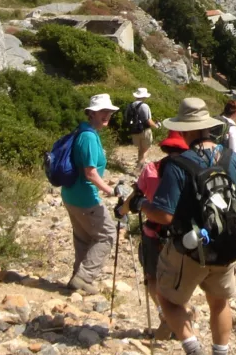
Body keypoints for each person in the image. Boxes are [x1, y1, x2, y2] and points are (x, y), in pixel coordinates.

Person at [130, 97, 236, 355]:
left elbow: (164, 214)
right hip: (227, 247)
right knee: (220, 303)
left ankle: (194, 354)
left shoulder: (178, 165)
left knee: (168, 298)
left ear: (186, 131)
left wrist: (141, 204)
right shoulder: (233, 159)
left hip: (190, 250)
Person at [117, 130, 189, 340]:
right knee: (179, 280)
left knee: (152, 277)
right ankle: (181, 317)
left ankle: (165, 315)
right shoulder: (191, 171)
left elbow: (135, 198)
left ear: (166, 147)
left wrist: (121, 211)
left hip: (154, 233)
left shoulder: (152, 169)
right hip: (182, 235)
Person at [63, 93, 120, 295]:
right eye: (102, 112)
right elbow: (90, 172)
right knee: (107, 234)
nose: (107, 115)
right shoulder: (88, 137)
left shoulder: (84, 131)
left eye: (109, 112)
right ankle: (84, 277)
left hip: (72, 195)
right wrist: (110, 190)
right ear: (91, 113)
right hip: (84, 197)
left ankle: (77, 278)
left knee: (83, 237)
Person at [126, 87, 158, 166]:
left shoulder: (130, 105)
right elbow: (148, 121)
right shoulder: (145, 106)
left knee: (140, 149)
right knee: (146, 149)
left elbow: (126, 117)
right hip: (144, 130)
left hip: (134, 130)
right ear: (144, 96)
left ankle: (139, 164)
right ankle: (139, 168)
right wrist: (156, 125)